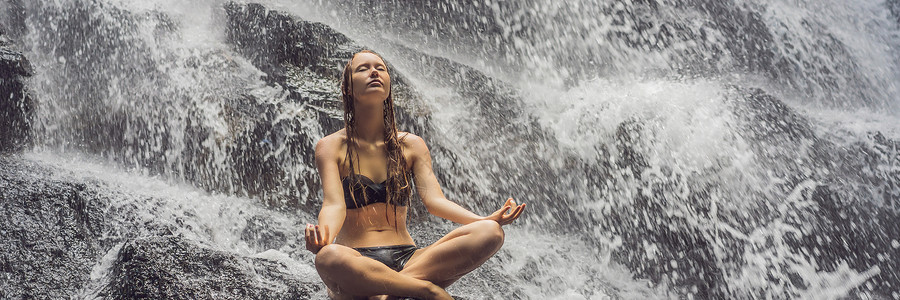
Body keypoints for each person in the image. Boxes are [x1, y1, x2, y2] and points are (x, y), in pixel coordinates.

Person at [304, 50, 526, 300]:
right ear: (348, 88)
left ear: (388, 84)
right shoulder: (331, 146)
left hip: (411, 259)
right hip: (357, 258)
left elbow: (435, 202)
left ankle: (390, 290)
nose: (374, 72)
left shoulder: (411, 145)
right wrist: (323, 235)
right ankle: (426, 290)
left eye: (381, 68)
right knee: (328, 257)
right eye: (363, 68)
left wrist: (482, 218)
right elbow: (334, 204)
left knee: (491, 232)